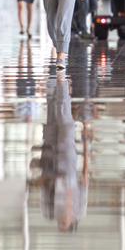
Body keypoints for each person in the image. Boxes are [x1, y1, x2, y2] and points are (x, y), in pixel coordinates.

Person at [34, 71, 90, 232]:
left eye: (60, 225)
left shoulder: (49, 211)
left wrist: (48, 176)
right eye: (63, 224)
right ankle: (61, 76)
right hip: (67, 156)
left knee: (51, 112)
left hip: (50, 155)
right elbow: (85, 177)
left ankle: (53, 74)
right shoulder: (79, 209)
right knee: (64, 114)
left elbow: (43, 184)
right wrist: (86, 144)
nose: (60, 222)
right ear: (72, 221)